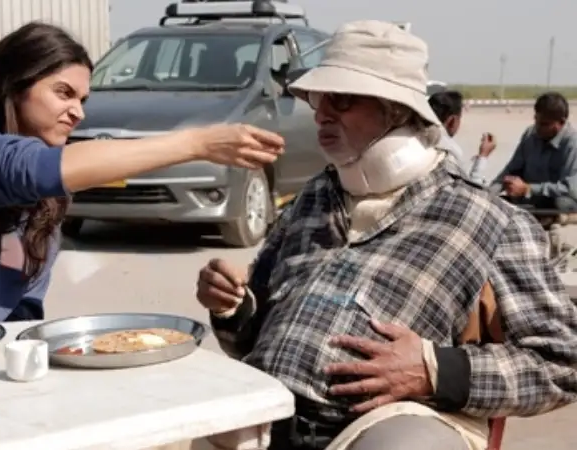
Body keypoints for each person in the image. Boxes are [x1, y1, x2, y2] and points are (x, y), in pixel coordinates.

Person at [195, 20, 577, 450]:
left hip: (381, 428)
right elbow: (247, 341)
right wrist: (234, 309)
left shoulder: (492, 221)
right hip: (265, 419)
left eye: (341, 98)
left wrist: (436, 369)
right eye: (317, 98)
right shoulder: (313, 198)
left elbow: (562, 362)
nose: (321, 113)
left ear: (397, 110)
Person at [0, 22, 284, 327]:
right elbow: (24, 169)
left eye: (83, 99)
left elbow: (21, 314)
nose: (77, 112)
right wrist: (195, 143)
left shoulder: (46, 206)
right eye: (63, 93)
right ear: (14, 86)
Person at [489, 91, 577, 212]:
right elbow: (511, 170)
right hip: (530, 199)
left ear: (561, 123)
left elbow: (570, 189)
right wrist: (490, 193)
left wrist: (528, 189)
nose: (537, 127)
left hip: (554, 201)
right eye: (536, 120)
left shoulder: (572, 143)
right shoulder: (530, 135)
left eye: (544, 124)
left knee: (563, 202)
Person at [427, 90, 496, 184]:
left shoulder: (416, 139)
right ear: (452, 120)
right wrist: (483, 157)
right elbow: (471, 190)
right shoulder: (449, 150)